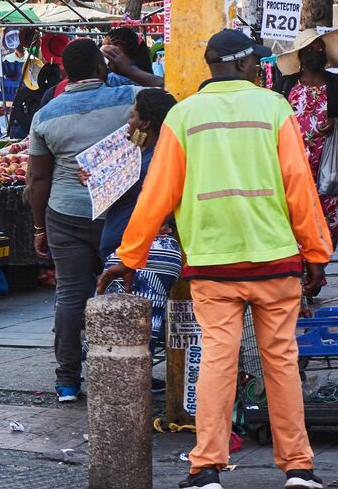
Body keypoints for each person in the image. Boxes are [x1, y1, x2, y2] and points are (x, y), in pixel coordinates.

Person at [100, 29, 333, 489]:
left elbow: (157, 196)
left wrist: (129, 257)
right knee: (281, 362)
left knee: (216, 363)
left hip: (212, 266)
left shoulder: (183, 116)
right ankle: (299, 469)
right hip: (276, 262)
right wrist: (316, 253)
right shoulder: (274, 108)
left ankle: (206, 467)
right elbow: (299, 189)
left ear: (211, 66)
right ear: (246, 66)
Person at [27, 38, 144, 403]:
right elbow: (170, 95)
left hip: (66, 214)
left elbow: (37, 179)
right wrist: (129, 69)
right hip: (124, 214)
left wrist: (39, 228)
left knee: (71, 296)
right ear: (100, 68)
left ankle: (67, 381)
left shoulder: (45, 115)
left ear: (64, 72)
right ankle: (125, 373)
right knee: (126, 293)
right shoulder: (131, 98)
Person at [80, 89, 181, 352]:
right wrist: (95, 180)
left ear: (145, 122)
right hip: (127, 253)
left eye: (133, 115)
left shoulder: (158, 157)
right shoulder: (139, 153)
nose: (130, 121)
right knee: (130, 335)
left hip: (137, 256)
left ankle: (131, 390)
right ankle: (137, 386)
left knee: (126, 338)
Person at [273, 28, 338, 244]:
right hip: (293, 169)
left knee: (327, 225)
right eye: (310, 49)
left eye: (320, 47)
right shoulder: (286, 84)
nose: (317, 51)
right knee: (294, 219)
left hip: (328, 171)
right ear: (301, 55)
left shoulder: (335, 84)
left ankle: (319, 265)